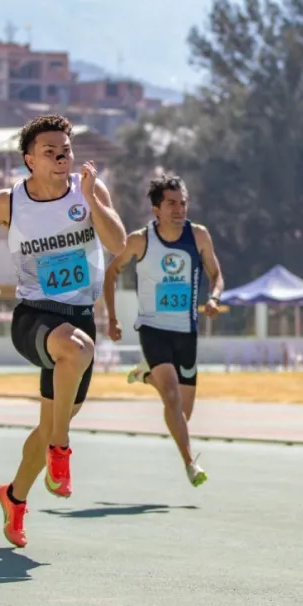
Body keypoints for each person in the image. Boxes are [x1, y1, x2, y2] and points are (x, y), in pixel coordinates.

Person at [0, 114, 127, 548]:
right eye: (49, 151)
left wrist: (93, 200)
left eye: (65, 149)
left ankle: (14, 498)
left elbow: (119, 242)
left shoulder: (88, 192)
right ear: (30, 159)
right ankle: (61, 454)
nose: (61, 156)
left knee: (50, 420)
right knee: (75, 349)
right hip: (35, 316)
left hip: (80, 314)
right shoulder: (7, 201)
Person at [102, 174, 224, 487]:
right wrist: (112, 318)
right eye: (171, 203)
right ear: (156, 208)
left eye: (182, 202)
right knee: (171, 398)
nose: (179, 209)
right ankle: (190, 463)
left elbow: (216, 274)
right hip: (153, 329)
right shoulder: (139, 240)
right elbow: (111, 272)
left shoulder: (198, 236)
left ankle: (147, 376)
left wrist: (214, 297)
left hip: (187, 332)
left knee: (183, 413)